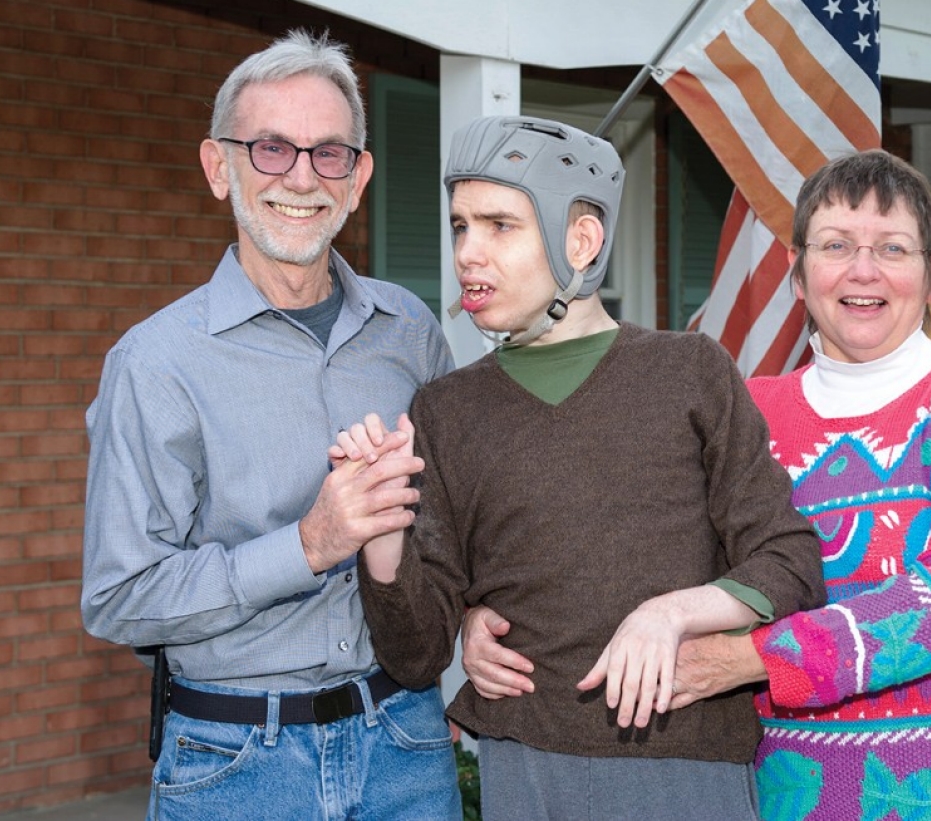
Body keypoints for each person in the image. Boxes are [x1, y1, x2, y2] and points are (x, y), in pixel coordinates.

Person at [462, 149, 931, 820]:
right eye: (835, 245)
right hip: (793, 794)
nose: (863, 270)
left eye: (893, 248)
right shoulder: (746, 407)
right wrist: (490, 616)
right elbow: (624, 547)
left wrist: (742, 660)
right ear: (798, 273)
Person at [339, 114, 825, 821]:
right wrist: (381, 543)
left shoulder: (689, 372)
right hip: (522, 770)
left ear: (583, 239)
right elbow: (415, 655)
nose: (468, 253)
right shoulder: (445, 411)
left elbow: (790, 560)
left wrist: (674, 614)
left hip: (686, 765)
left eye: (501, 225)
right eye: (460, 226)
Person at [80, 30, 461, 820]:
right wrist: (308, 545)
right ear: (220, 168)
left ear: (358, 179)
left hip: (407, 744)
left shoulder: (412, 332)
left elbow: (455, 528)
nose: (300, 177)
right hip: (234, 765)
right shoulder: (155, 363)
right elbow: (120, 595)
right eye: (270, 149)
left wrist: (482, 610)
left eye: (328, 154)